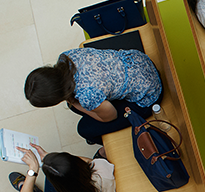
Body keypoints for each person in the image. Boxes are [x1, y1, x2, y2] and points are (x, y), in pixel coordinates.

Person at [24, 48, 162, 145]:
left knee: (85, 129)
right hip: (137, 60)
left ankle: (108, 148)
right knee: (76, 106)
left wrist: (77, 103)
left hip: (148, 95)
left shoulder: (86, 95)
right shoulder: (66, 57)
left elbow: (110, 116)